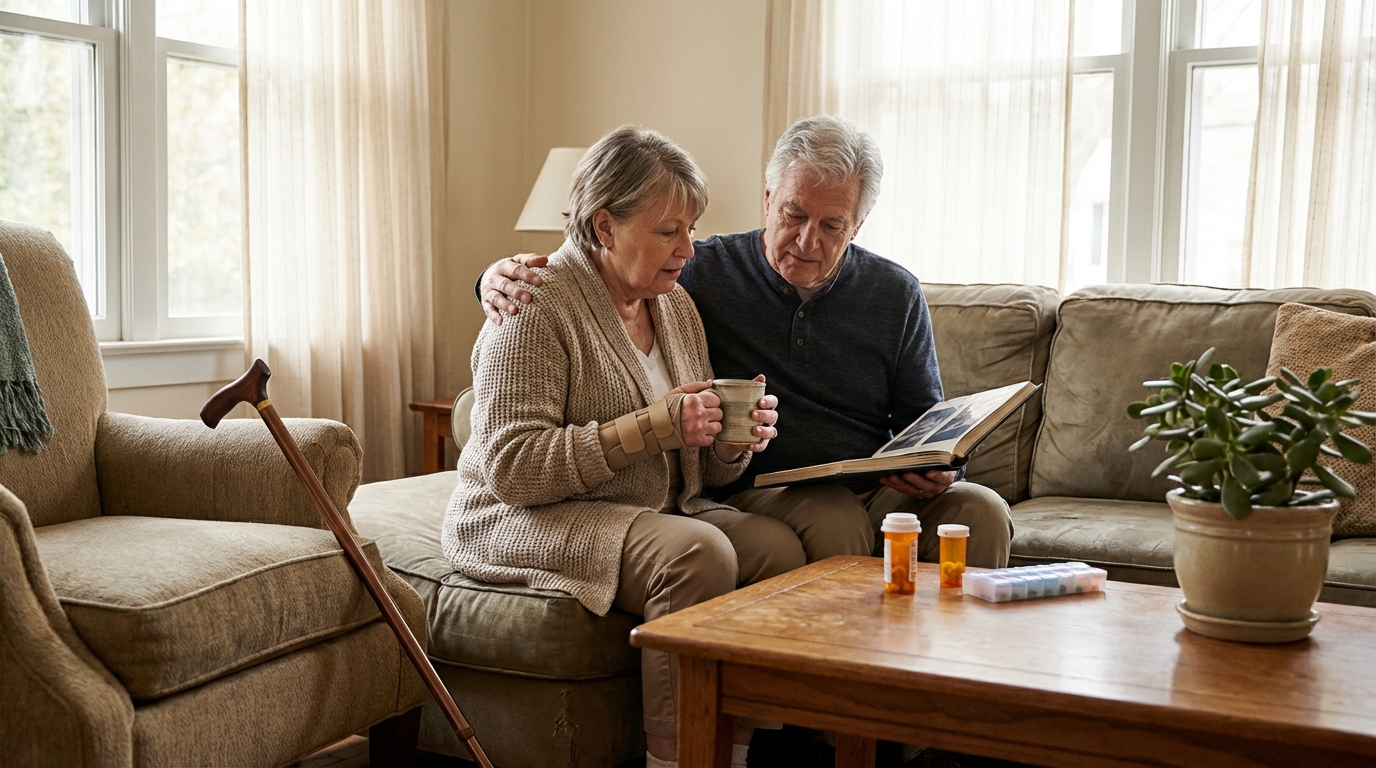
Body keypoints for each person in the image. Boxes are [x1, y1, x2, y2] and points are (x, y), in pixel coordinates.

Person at [479, 115, 1013, 572]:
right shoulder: (698, 272)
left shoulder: (894, 293)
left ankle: (957, 679)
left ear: (859, 225)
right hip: (770, 489)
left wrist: (941, 467)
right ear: (768, 198)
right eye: (794, 214)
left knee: (980, 509)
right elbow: (602, 273)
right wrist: (490, 280)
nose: (808, 241)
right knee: (833, 517)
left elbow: (930, 424)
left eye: (833, 225)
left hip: (870, 486)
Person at [444, 126, 787, 768]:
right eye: (669, 231)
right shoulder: (534, 304)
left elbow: (698, 463)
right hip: (523, 515)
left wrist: (735, 438)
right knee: (696, 552)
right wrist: (658, 425)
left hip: (644, 507)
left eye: (691, 228)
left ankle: (731, 753)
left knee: (777, 550)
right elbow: (513, 468)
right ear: (604, 226)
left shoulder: (675, 304)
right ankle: (675, 759)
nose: (689, 247)